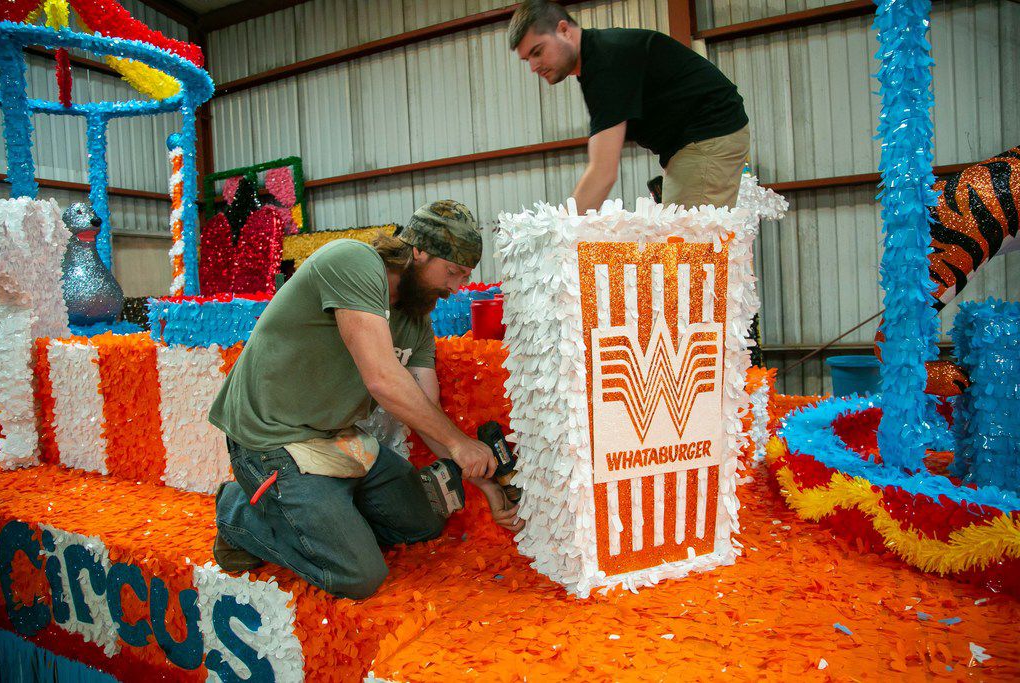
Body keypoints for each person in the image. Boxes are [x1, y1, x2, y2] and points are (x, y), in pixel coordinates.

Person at [210, 200, 522, 600]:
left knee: (424, 521)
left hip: (335, 439)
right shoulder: (353, 261)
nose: (455, 288)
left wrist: (487, 486)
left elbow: (425, 410)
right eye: (452, 272)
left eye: (463, 277)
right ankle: (238, 513)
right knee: (358, 575)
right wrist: (461, 444)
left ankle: (330, 515)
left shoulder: (415, 321)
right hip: (272, 440)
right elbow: (382, 380)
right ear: (419, 251)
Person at [509, 0, 750, 211]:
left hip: (710, 132)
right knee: (682, 248)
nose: (533, 67)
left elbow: (603, 172)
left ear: (563, 30)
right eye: (527, 59)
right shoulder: (596, 62)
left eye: (537, 52)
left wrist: (560, 235)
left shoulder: (607, 62)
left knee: (687, 252)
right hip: (693, 140)